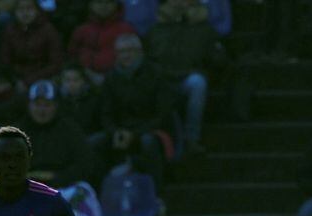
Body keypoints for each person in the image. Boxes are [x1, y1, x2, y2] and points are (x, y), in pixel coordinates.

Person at [144, 0, 224, 155]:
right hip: (161, 79)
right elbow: (147, 58)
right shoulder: (155, 30)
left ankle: (191, 138)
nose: (178, 5)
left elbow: (218, 60)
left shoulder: (204, 29)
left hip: (187, 77)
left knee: (198, 83)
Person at [100, 33, 174, 188]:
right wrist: (115, 131)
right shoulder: (111, 78)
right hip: (120, 130)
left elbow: (163, 114)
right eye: (121, 51)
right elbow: (105, 113)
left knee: (148, 142)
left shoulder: (156, 74)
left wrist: (135, 134)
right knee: (95, 143)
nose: (126, 55)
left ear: (140, 52)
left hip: (150, 129)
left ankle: (157, 192)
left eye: (130, 50)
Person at [0, 0, 64, 88]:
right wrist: (14, 78)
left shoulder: (48, 30)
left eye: (29, 9)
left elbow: (55, 63)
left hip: (43, 76)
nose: (25, 13)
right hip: (16, 77)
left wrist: (30, 80)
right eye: (21, 9)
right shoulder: (9, 31)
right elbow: (5, 60)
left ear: (37, 11)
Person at [67, 0, 137, 81]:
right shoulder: (81, 31)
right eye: (99, 2)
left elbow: (134, 58)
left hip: (118, 81)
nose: (104, 6)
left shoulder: (126, 29)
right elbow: (72, 57)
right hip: (84, 82)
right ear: (91, 4)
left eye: (108, 2)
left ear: (116, 4)